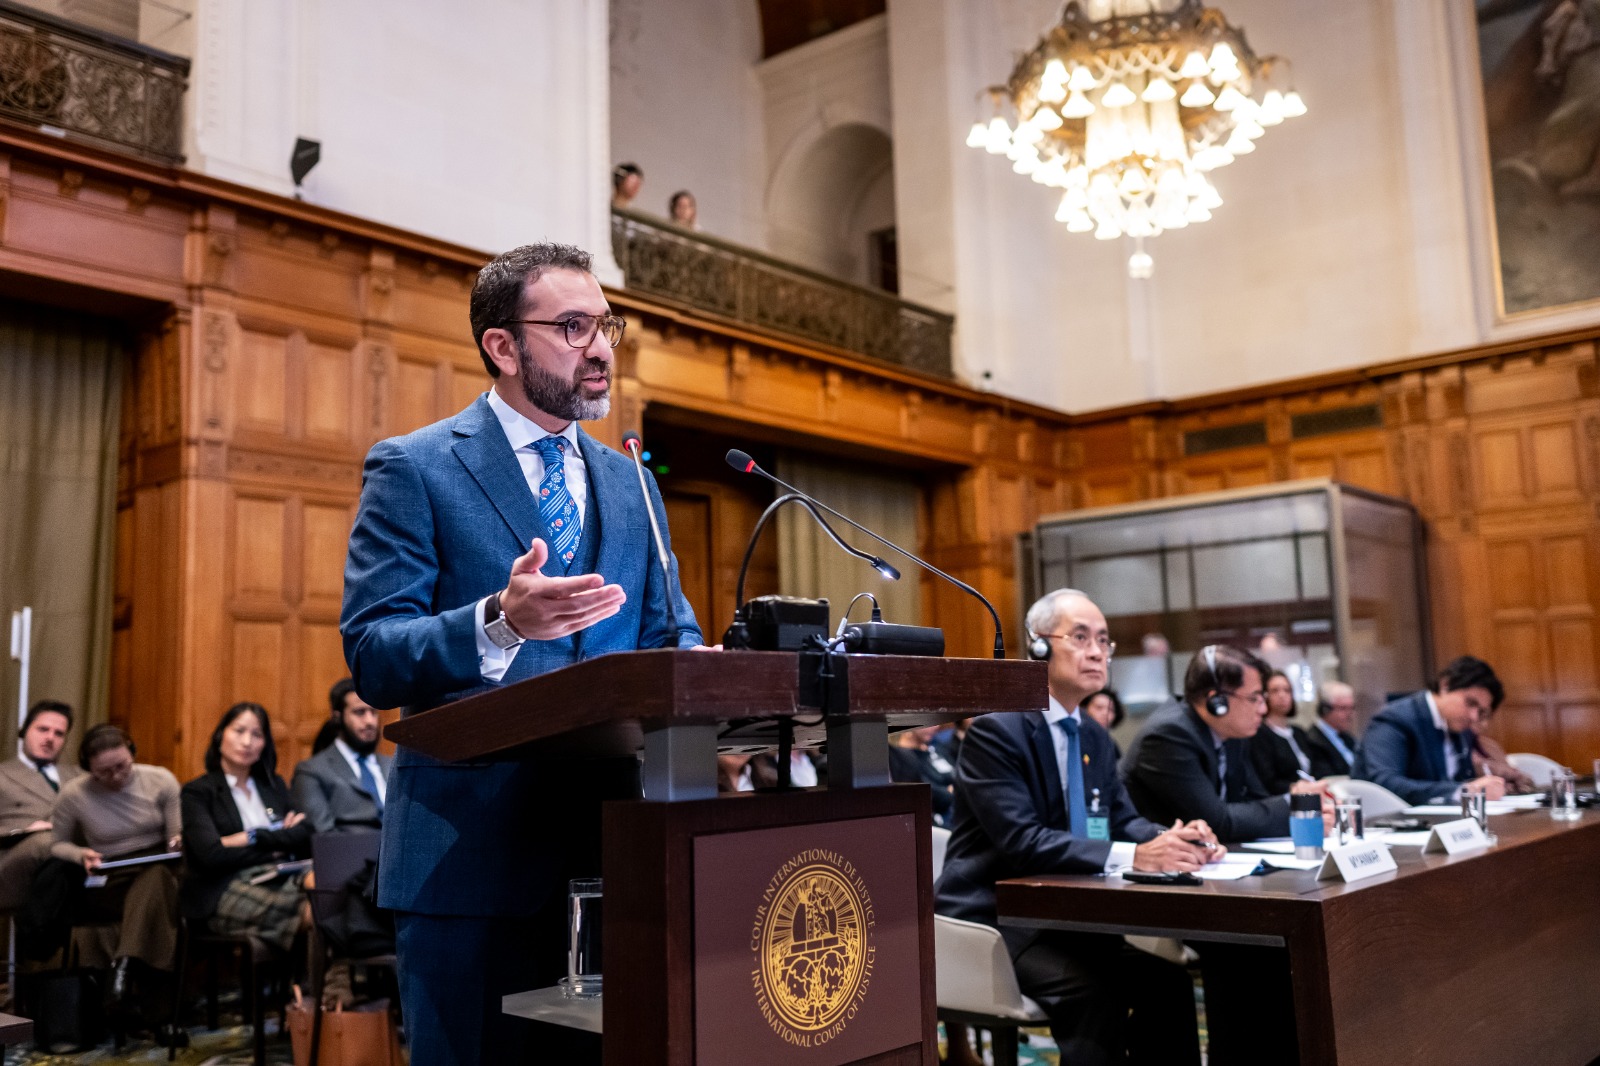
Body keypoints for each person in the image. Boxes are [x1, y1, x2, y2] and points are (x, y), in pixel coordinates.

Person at [340, 241, 704, 1064]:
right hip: (469, 859)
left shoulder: (632, 482)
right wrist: (497, 623)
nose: (601, 348)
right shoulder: (416, 467)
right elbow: (374, 652)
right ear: (502, 347)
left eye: (605, 326)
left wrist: (703, 670)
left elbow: (667, 634)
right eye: (573, 327)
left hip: (617, 856)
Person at [936, 589, 1216, 1066]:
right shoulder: (997, 731)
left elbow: (1121, 820)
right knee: (1093, 994)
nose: (1096, 652)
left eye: (1104, 641)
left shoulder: (1093, 735)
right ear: (1039, 646)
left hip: (1069, 916)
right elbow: (1023, 842)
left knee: (1167, 984)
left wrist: (1174, 841)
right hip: (998, 920)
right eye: (1081, 637)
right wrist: (1135, 855)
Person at [1120, 646, 1331, 843]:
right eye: (1254, 698)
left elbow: (1255, 800)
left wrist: (1297, 801)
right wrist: (1294, 805)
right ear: (1217, 702)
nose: (1263, 709)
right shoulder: (1169, 736)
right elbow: (1217, 822)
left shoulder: (1231, 731)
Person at [48, 724, 182, 1008]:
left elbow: (175, 837)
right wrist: (81, 854)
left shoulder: (161, 780)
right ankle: (134, 975)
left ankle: (124, 963)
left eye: (122, 766)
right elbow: (57, 844)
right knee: (154, 892)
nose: (116, 776)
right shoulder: (74, 794)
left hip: (156, 862)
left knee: (157, 878)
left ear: (132, 754)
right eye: (104, 772)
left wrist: (177, 842)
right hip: (110, 872)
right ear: (89, 769)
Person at [180, 702, 312, 952]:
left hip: (279, 876)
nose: (247, 742)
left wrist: (251, 837)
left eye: (257, 734)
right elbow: (210, 855)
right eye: (239, 731)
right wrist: (276, 846)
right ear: (221, 735)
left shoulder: (273, 786)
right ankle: (333, 977)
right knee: (318, 910)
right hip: (223, 888)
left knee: (329, 888)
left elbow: (304, 833)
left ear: (265, 744)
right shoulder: (198, 792)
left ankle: (333, 976)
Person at [1354, 656, 1508, 806]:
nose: (1474, 716)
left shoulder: (1460, 727)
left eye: (1481, 711)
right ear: (1445, 685)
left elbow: (1457, 780)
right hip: (1387, 818)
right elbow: (1385, 782)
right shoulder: (1395, 719)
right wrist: (1462, 790)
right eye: (1470, 703)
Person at [0, 699, 82, 909]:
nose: (50, 738)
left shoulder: (80, 777)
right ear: (25, 731)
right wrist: (25, 831)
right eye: (43, 729)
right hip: (13, 860)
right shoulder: (3, 774)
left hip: (74, 856)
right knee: (49, 841)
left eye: (58, 734)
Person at [291, 678, 391, 834]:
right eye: (360, 712)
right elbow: (324, 834)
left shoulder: (392, 766)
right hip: (351, 848)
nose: (370, 721)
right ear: (337, 717)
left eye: (373, 712)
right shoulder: (311, 771)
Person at [1249, 669, 1314, 793]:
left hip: (1309, 793)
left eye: (1287, 690)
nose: (1282, 695)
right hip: (1284, 797)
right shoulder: (1259, 734)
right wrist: (1299, 788)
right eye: (1275, 690)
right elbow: (1268, 782)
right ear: (1265, 696)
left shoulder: (1298, 732)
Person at [887, 725, 955, 826]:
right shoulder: (906, 758)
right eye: (928, 724)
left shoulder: (935, 745)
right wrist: (952, 791)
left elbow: (958, 775)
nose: (935, 727)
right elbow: (931, 793)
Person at [1300, 680, 1360, 779]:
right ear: (1325, 709)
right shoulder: (1312, 741)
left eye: (1351, 708)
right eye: (1343, 708)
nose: (1349, 714)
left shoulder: (1347, 738)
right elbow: (1327, 778)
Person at [1081, 688, 1125, 757]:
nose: (1105, 713)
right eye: (1099, 707)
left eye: (1110, 709)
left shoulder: (1112, 747)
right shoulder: (1076, 740)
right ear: (1084, 709)